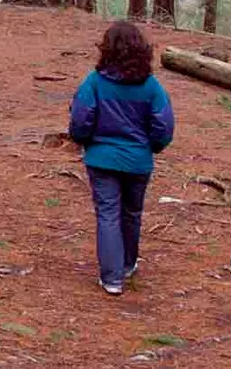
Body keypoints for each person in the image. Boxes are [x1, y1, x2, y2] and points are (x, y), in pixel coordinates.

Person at [68, 21, 176, 295]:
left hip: (102, 160)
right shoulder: (151, 87)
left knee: (108, 215)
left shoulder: (94, 83)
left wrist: (86, 142)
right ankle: (127, 265)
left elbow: (80, 120)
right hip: (138, 161)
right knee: (131, 214)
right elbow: (163, 126)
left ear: (107, 49)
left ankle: (112, 278)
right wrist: (151, 147)